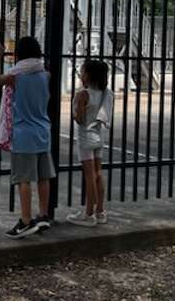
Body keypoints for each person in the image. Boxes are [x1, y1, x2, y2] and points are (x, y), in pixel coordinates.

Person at [0, 36, 54, 239]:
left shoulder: (15, 77)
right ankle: (43, 215)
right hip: (43, 131)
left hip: (23, 132)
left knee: (24, 179)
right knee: (43, 176)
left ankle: (26, 220)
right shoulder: (46, 75)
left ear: (19, 54)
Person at [66, 60, 112, 227]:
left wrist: (77, 109)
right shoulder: (105, 93)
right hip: (100, 136)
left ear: (88, 75)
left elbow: (80, 119)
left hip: (86, 138)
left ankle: (88, 214)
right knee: (99, 174)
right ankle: (100, 211)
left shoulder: (83, 94)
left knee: (89, 176)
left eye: (83, 71)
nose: (81, 74)